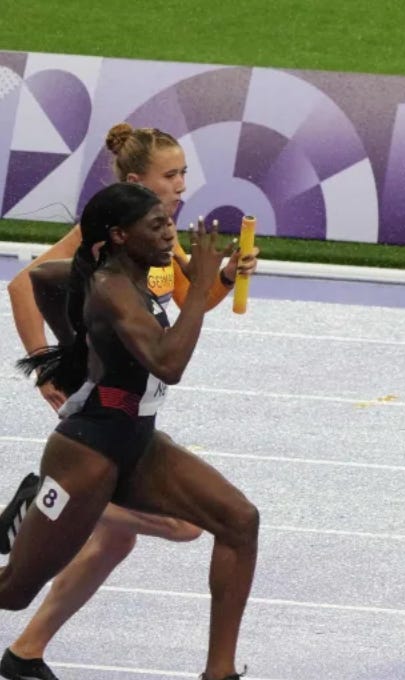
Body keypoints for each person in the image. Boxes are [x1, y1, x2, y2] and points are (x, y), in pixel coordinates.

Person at [0, 124, 259, 680]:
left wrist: (216, 276)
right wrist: (53, 363)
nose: (172, 227)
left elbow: (177, 302)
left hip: (136, 437)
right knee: (12, 591)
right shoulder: (112, 280)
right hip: (91, 447)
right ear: (121, 231)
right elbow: (169, 362)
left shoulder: (144, 250)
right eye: (172, 176)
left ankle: (219, 673)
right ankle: (34, 510)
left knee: (237, 520)